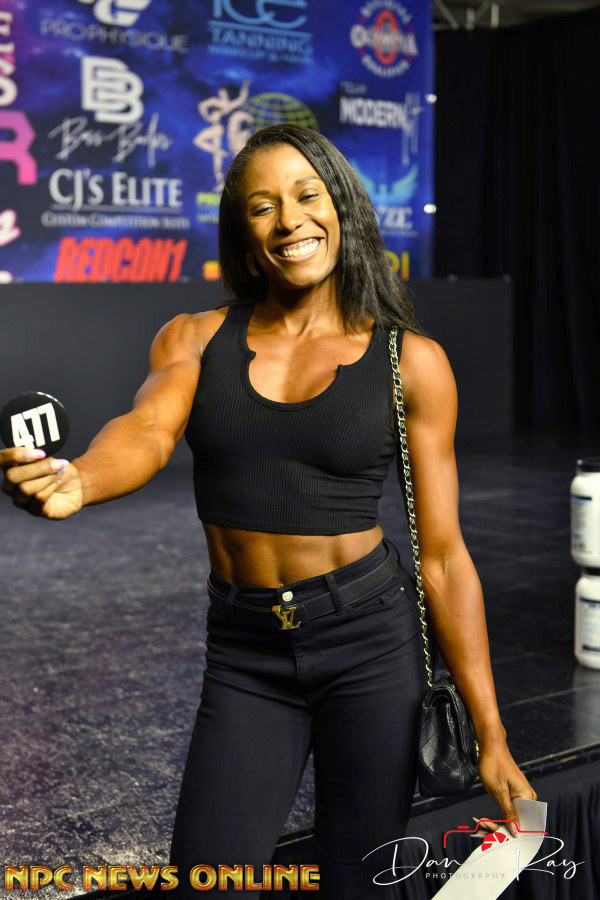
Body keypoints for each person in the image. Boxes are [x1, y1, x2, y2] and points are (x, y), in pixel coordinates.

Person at [1, 123, 536, 898]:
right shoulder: (194, 338)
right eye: (263, 206)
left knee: (359, 883)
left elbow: (445, 557)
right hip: (247, 652)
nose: (289, 220)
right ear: (244, 234)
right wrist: (79, 478)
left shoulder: (411, 361)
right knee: (210, 880)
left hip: (370, 643)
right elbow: (147, 430)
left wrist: (492, 734)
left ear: (342, 209)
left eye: (307, 196)